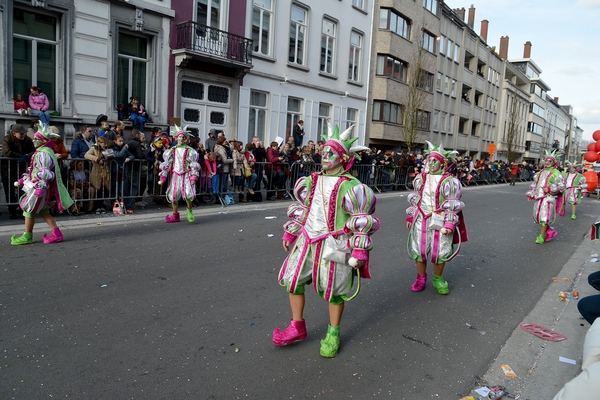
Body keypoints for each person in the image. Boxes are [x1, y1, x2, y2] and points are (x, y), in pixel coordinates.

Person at [272, 122, 380, 358]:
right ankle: (297, 326)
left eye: (331, 153)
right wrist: (292, 232)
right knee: (293, 280)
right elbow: (304, 208)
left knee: (335, 291)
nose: (325, 155)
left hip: (335, 243)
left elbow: (361, 218)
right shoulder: (311, 180)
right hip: (308, 239)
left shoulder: (352, 186)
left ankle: (333, 332)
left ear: (343, 158)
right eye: (324, 151)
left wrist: (359, 251)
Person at [406, 141, 466, 295]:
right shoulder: (420, 178)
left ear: (442, 163)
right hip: (421, 217)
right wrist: (410, 216)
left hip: (441, 219)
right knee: (419, 248)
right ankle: (420, 278)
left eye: (435, 161)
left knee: (440, 250)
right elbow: (416, 197)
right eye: (429, 160)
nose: (431, 163)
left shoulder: (450, 182)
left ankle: (437, 278)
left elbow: (452, 203)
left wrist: (449, 223)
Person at [10, 124, 74, 245]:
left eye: (36, 138)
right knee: (44, 211)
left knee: (28, 210)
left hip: (40, 188)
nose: (33, 140)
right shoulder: (43, 151)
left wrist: (40, 188)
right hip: (41, 187)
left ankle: (27, 236)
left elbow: (44, 172)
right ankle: (57, 233)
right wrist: (23, 180)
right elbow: (34, 170)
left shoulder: (43, 153)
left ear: (43, 141)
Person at [158, 125, 201, 223]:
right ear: (176, 137)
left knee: (188, 195)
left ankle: (189, 211)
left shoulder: (190, 150)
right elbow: (167, 163)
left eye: (183, 137)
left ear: (186, 139)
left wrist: (194, 176)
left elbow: (193, 164)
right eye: (179, 136)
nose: (181, 138)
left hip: (186, 175)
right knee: (173, 196)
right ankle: (175, 215)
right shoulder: (172, 150)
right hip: (176, 175)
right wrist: (163, 177)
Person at [526, 150, 566, 244]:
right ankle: (550, 231)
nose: (547, 162)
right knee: (538, 217)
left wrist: (550, 189)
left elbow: (561, 187)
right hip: (539, 198)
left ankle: (541, 236)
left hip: (548, 198)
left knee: (544, 218)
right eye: (546, 160)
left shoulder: (556, 173)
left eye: (550, 161)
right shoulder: (540, 172)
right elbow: (536, 184)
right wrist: (531, 194)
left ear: (554, 162)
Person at [2, 124, 35, 219]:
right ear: (14, 133)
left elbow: (34, 150)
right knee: (10, 191)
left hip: (22, 170)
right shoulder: (7, 139)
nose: (23, 135)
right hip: (8, 170)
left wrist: (27, 156)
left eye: (24, 133)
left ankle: (23, 211)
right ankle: (12, 211)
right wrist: (22, 156)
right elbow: (6, 152)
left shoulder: (27, 140)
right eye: (21, 134)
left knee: (24, 191)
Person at [85, 136, 112, 213]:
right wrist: (96, 159)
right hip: (96, 171)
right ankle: (97, 207)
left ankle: (101, 205)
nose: (104, 145)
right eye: (103, 143)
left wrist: (110, 158)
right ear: (99, 143)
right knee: (97, 189)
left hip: (105, 172)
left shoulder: (107, 149)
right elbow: (86, 155)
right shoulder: (94, 148)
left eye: (105, 143)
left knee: (104, 189)